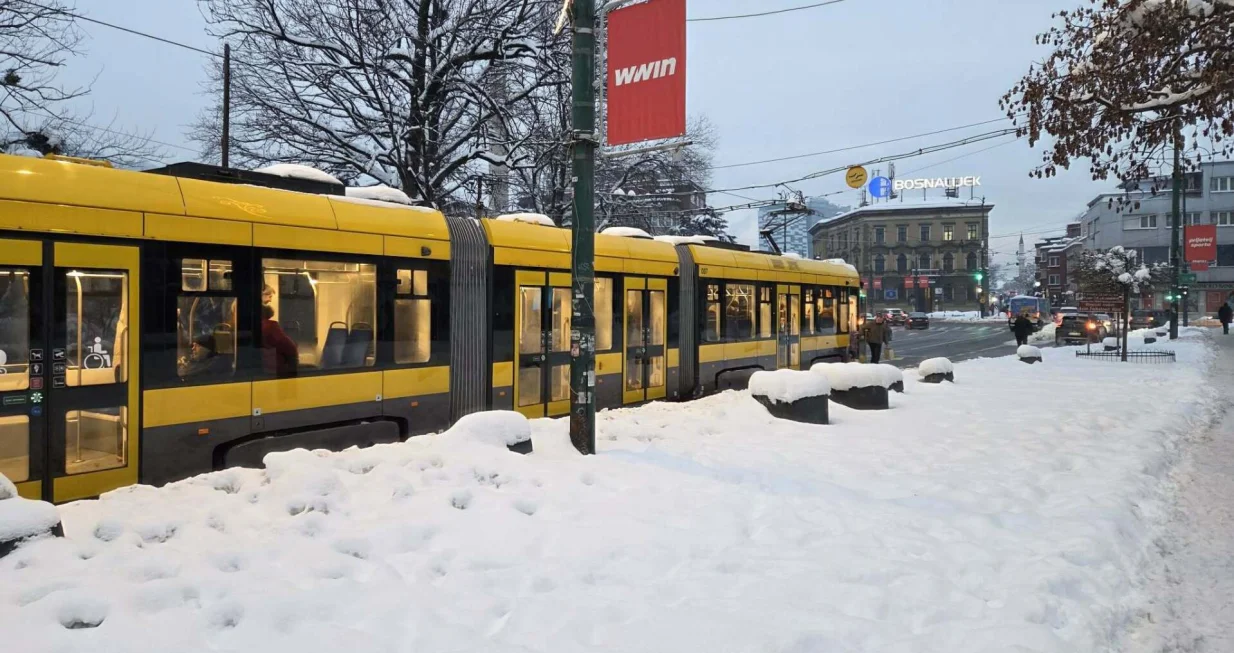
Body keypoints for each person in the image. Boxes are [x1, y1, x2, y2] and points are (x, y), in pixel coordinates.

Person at [261, 304, 299, 376]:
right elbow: (289, 346)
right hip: (274, 369)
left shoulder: (258, 326)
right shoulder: (270, 326)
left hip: (265, 369)